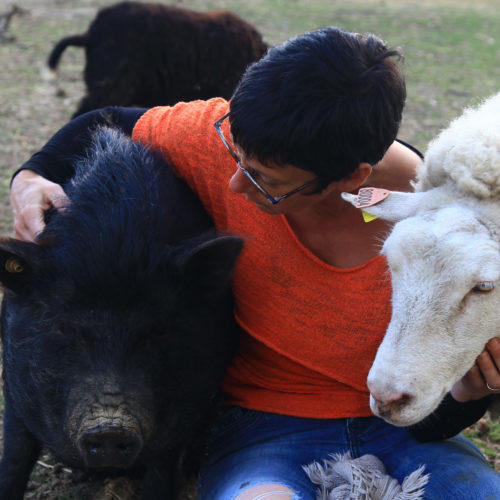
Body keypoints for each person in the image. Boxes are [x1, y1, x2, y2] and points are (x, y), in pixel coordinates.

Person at [10, 26, 500, 499]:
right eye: (235, 154)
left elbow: (433, 409)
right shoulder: (235, 140)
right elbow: (112, 119)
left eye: (266, 179)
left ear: (354, 176)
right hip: (262, 430)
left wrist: (466, 393)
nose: (235, 186)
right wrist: (32, 173)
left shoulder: (451, 247)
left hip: (404, 437)